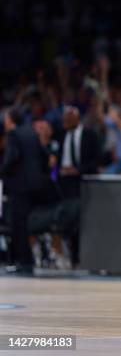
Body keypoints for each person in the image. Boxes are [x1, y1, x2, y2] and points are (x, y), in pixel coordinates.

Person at [1, 107, 48, 272]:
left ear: (11, 120)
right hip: (35, 185)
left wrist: (2, 172)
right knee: (25, 223)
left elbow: (12, 158)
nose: (4, 122)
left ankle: (23, 261)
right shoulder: (31, 132)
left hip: (19, 185)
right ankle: (26, 260)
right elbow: (44, 156)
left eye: (5, 119)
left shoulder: (13, 134)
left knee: (18, 224)